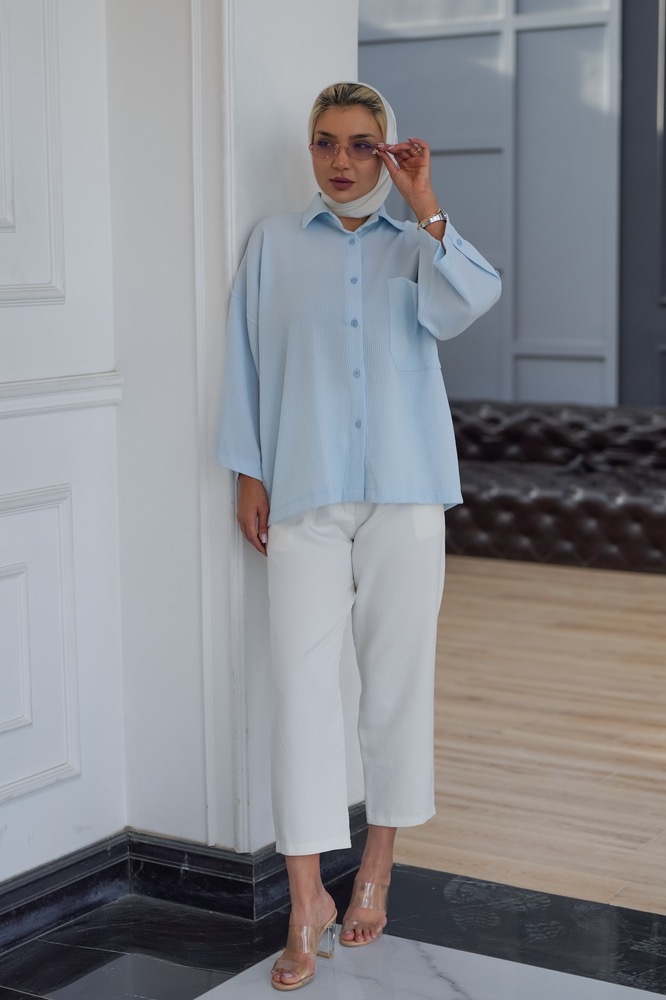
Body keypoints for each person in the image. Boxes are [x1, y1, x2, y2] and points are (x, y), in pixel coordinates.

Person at [217, 81, 501, 991]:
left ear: (386, 150)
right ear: (310, 149)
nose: (340, 161)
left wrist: (427, 206)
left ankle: (378, 861)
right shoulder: (272, 245)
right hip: (303, 491)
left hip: (405, 492)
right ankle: (307, 898)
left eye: (359, 144)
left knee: (395, 680)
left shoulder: (417, 246)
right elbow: (244, 361)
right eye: (325, 142)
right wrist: (249, 471)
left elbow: (473, 299)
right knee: (300, 688)